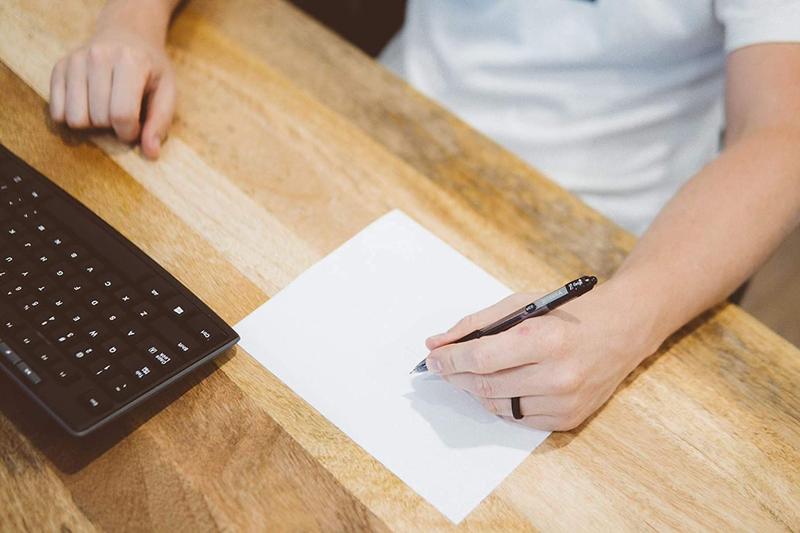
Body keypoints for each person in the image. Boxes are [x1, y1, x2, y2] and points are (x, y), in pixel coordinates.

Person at [50, 0, 800, 431]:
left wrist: (625, 321)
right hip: (383, 133)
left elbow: (781, 131)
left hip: (601, 230)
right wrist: (130, 23)